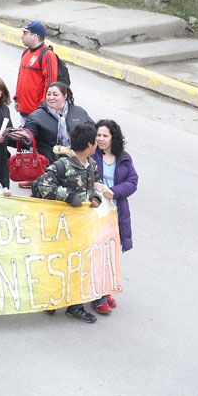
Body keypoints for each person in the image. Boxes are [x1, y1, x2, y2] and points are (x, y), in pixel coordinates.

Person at [33, 122, 103, 324]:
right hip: (61, 226)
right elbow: (42, 185)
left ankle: (76, 306)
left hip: (83, 226)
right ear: (90, 144)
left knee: (80, 265)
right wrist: (68, 196)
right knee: (58, 262)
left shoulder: (91, 164)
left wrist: (96, 197)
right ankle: (53, 298)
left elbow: (96, 183)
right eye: (95, 142)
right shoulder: (63, 165)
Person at [91, 119, 138, 315]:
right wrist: (97, 186)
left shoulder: (123, 158)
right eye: (98, 135)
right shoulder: (92, 156)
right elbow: (87, 177)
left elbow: (133, 181)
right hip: (97, 212)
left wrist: (114, 191)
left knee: (114, 253)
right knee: (100, 254)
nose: (101, 139)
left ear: (113, 138)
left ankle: (106, 289)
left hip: (118, 212)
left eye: (105, 136)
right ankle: (98, 296)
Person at [24, 81, 93, 163]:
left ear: (65, 96)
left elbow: (93, 132)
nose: (51, 97)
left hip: (77, 161)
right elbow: (26, 139)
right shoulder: (36, 116)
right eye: (48, 94)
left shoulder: (79, 111)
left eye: (55, 94)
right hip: (49, 163)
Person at [14, 21, 58, 117]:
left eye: (25, 33)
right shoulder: (26, 52)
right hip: (24, 109)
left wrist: (43, 108)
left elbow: (50, 83)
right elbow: (21, 78)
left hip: (37, 113)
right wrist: (17, 98)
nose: (22, 36)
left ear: (34, 36)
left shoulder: (47, 55)